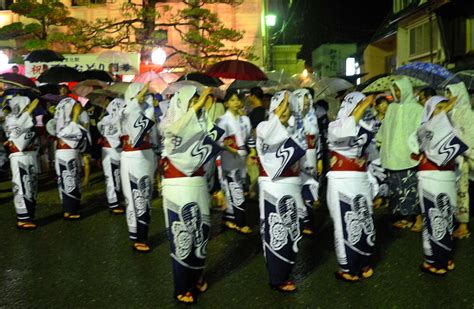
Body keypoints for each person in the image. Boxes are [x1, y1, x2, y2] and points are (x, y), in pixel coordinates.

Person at [160, 86, 222, 304]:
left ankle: (197, 275)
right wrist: (195, 107)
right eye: (192, 101)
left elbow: (214, 147)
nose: (197, 104)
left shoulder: (202, 123)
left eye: (198, 100)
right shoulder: (169, 124)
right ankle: (181, 286)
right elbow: (177, 131)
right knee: (182, 235)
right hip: (176, 184)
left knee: (201, 231)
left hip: (198, 181)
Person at [256, 90, 306, 292]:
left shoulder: (296, 130)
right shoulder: (263, 127)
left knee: (293, 226)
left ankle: (286, 271)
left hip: (292, 183)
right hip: (272, 184)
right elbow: (271, 134)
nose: (284, 111)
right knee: (275, 227)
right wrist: (283, 104)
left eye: (287, 108)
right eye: (280, 107)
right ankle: (277, 277)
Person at [326, 92, 376, 282]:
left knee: (364, 218)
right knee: (345, 222)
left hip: (361, 179)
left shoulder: (366, 128)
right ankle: (348, 266)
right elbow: (343, 134)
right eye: (357, 106)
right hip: (341, 179)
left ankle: (363, 261)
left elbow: (373, 156)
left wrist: (375, 181)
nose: (361, 110)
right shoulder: (336, 126)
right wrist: (363, 106)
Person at [411, 95, 463, 275]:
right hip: (430, 177)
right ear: (429, 111)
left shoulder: (451, 127)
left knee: (446, 217)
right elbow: (425, 143)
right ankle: (434, 259)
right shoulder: (423, 128)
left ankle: (440, 257)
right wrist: (446, 111)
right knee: (433, 217)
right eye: (438, 108)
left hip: (448, 176)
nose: (443, 111)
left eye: (444, 107)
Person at [376, 77, 424, 231]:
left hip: (409, 156)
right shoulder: (392, 108)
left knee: (412, 188)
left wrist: (418, 149)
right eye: (394, 90)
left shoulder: (417, 109)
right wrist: (381, 143)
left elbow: (421, 132)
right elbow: (385, 130)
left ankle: (419, 218)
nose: (397, 93)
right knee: (398, 189)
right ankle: (406, 217)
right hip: (393, 156)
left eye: (399, 89)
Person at [119, 83, 156, 252]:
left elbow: (154, 136)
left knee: (146, 194)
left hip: (147, 155)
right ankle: (136, 235)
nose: (144, 96)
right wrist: (138, 99)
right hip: (131, 156)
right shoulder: (125, 110)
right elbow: (129, 114)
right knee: (134, 195)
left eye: (146, 93)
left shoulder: (149, 111)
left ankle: (143, 233)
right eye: (140, 93)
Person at [217, 90, 256, 234]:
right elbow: (218, 141)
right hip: (229, 156)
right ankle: (240, 222)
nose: (236, 103)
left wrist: (252, 151)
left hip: (242, 155)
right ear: (226, 103)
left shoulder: (245, 120)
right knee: (236, 188)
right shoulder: (222, 120)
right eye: (232, 100)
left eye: (237, 100)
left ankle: (228, 218)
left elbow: (250, 137)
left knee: (239, 188)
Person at [4, 96, 39, 229]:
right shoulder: (12, 119)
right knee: (22, 184)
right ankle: (23, 218)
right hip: (18, 156)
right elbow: (17, 129)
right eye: (26, 105)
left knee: (30, 186)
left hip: (27, 155)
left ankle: (29, 215)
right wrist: (28, 111)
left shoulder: (21, 118)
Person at [445, 82, 474, 239]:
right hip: (451, 158)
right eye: (447, 93)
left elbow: (470, 138)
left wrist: (461, 147)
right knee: (453, 190)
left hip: (462, 158)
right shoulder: (450, 112)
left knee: (462, 191)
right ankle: (455, 220)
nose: (448, 97)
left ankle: (463, 225)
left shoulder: (467, 113)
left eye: (451, 93)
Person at [53, 96, 89, 220]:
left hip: (65, 152)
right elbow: (78, 134)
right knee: (69, 179)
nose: (78, 108)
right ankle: (69, 210)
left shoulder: (63, 123)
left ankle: (68, 208)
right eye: (75, 107)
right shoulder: (69, 126)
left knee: (67, 178)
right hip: (67, 152)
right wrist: (75, 118)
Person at [292, 88, 320, 235]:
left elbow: (318, 140)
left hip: (312, 155)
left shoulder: (312, 117)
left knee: (309, 188)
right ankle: (301, 221)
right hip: (299, 157)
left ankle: (308, 221)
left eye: (309, 99)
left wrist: (319, 159)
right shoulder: (293, 119)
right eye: (304, 99)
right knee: (299, 188)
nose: (307, 102)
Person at [97, 98, 125, 214]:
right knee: (112, 177)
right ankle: (113, 203)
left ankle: (117, 200)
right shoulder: (116, 120)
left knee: (116, 176)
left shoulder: (105, 119)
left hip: (111, 149)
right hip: (110, 150)